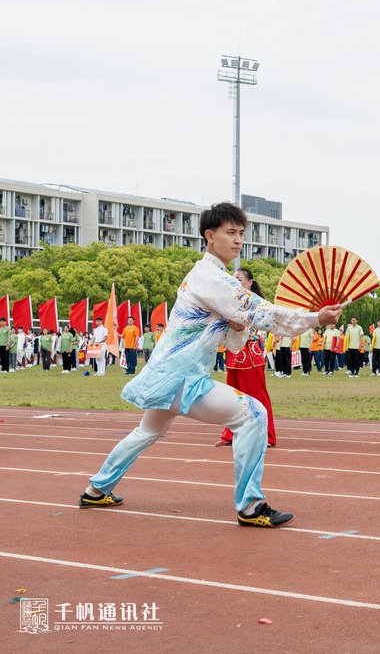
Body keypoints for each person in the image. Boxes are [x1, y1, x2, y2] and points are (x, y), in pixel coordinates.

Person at [80, 202, 344, 527]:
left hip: (168, 375)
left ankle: (96, 489)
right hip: (183, 377)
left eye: (241, 234)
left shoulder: (211, 277)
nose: (238, 240)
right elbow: (261, 311)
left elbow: (235, 340)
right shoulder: (212, 278)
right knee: (254, 414)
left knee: (147, 431)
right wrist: (315, 318)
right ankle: (250, 506)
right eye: (230, 232)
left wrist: (237, 325)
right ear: (209, 235)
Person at [217, 268, 278, 449]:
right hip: (234, 354)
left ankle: (267, 435)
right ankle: (229, 435)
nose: (235, 281)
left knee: (258, 397)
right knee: (232, 398)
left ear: (250, 282)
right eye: (233, 278)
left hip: (252, 354)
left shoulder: (258, 303)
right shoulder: (230, 301)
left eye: (240, 278)